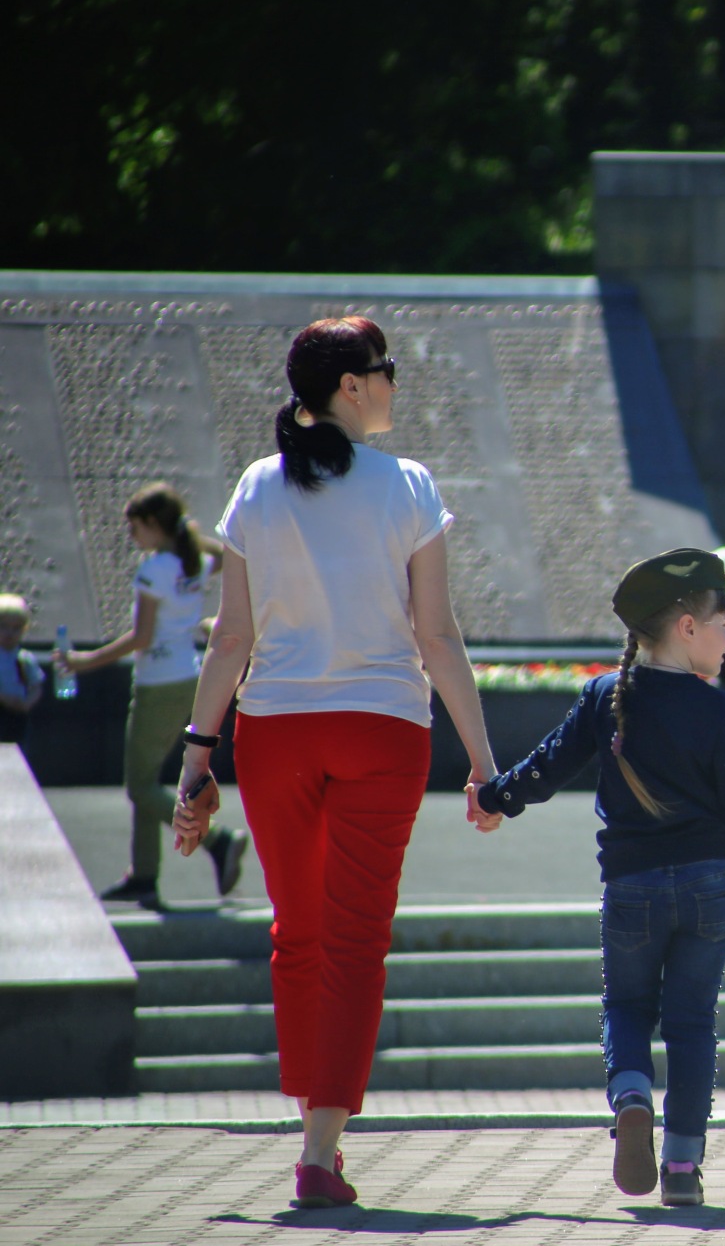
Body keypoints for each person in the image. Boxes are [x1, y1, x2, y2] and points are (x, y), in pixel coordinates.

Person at [171, 316, 499, 1211]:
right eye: (385, 370)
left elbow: (230, 639)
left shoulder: (256, 485)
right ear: (351, 386)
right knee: (355, 942)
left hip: (275, 730)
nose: (393, 384)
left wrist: (197, 755)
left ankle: (311, 1132)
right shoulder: (409, 485)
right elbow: (437, 636)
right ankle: (321, 1147)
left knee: (297, 933)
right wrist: (481, 761)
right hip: (382, 729)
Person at [470, 548, 725, 1207]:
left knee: (627, 1007)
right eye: (724, 624)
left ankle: (631, 1094)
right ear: (686, 627)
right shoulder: (722, 710)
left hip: (631, 885)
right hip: (711, 887)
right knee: (692, 1021)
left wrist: (493, 799)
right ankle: (682, 1167)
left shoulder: (606, 696)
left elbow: (547, 766)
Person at [62, 483, 248, 909]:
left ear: (152, 524)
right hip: (187, 677)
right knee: (145, 782)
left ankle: (217, 841)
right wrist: (187, 534)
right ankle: (144, 875)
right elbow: (222, 554)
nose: (131, 536)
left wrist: (86, 661)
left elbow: (141, 637)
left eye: (135, 528)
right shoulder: (192, 560)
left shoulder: (154, 569)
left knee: (140, 786)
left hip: (157, 683)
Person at [0, 594, 45, 744]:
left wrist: (27, 704)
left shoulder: (25, 658)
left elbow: (36, 686)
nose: (9, 633)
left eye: (16, 628)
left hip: (17, 714)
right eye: (3, 626)